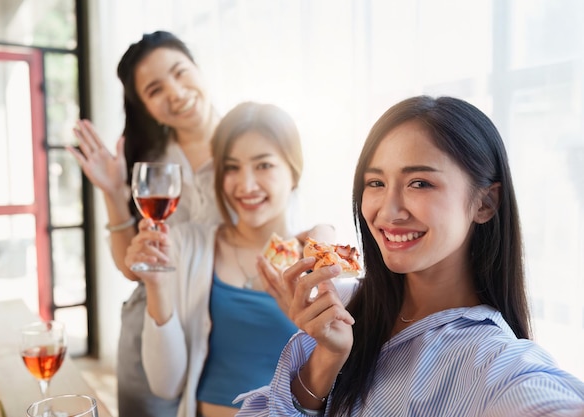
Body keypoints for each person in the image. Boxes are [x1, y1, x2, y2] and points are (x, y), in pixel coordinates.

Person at [235, 95, 584, 416]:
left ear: (486, 203)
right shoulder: (341, 306)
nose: (389, 212)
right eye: (375, 183)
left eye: (420, 183)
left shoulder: (496, 361)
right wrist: (326, 359)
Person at [123, 101, 338, 417]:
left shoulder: (320, 261)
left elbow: (341, 381)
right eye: (232, 167)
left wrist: (324, 239)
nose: (245, 185)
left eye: (263, 165)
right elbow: (165, 385)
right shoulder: (187, 246)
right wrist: (157, 284)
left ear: (293, 171)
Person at [67, 31, 222, 417]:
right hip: (153, 323)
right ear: (146, 107)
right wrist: (113, 190)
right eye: (155, 89)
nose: (175, 92)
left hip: (225, 325)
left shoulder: (250, 146)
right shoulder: (150, 161)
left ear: (199, 70)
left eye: (180, 73)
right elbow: (132, 268)